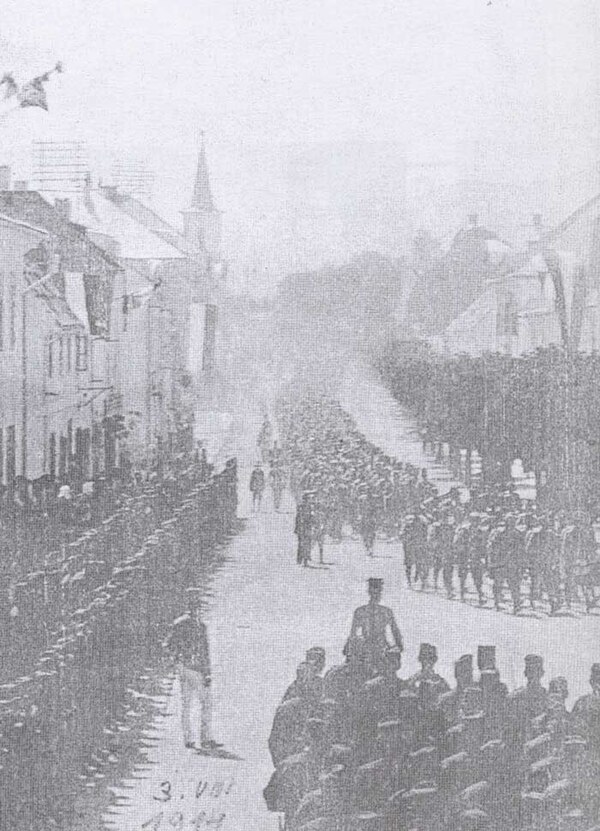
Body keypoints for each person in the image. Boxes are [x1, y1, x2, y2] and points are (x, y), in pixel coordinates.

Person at [166, 587, 221, 750]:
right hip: (189, 668)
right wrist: (178, 659)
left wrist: (207, 672)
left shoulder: (198, 626)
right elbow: (170, 645)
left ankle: (194, 739)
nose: (195, 612)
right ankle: (199, 739)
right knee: (196, 703)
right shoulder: (183, 625)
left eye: (197, 609)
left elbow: (205, 651)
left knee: (193, 704)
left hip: (192, 668)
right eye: (194, 609)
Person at [345, 578, 403, 675]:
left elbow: (395, 632)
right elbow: (353, 634)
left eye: (377, 592)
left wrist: (398, 647)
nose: (376, 595)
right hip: (367, 649)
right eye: (374, 592)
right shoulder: (361, 611)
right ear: (370, 592)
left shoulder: (385, 612)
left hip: (380, 648)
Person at [571, 663, 600, 754]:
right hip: (589, 752)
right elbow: (575, 730)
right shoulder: (582, 703)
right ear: (592, 682)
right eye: (597, 680)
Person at [294, 491, 314, 566]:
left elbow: (311, 518)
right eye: (308, 499)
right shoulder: (300, 507)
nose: (310, 500)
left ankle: (306, 559)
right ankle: (299, 559)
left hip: (307, 527)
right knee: (301, 544)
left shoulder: (310, 507)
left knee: (307, 543)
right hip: (302, 527)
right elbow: (298, 518)